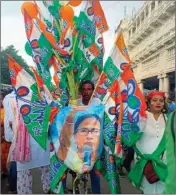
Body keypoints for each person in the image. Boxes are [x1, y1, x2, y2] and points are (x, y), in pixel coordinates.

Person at [62, 80, 102, 194]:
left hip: (93, 141)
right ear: (80, 91)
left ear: (93, 91)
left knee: (94, 171)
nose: (86, 92)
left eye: (89, 89)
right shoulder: (75, 103)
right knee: (66, 164)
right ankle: (62, 189)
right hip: (77, 140)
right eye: (83, 89)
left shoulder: (98, 103)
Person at [8, 95, 50, 194]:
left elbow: (11, 123)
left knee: (46, 174)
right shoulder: (16, 100)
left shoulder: (46, 98)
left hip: (39, 145)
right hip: (33, 145)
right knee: (28, 174)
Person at [128, 91, 168, 194]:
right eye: (154, 100)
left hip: (163, 162)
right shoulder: (141, 117)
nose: (158, 103)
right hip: (145, 162)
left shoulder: (168, 119)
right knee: (147, 189)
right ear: (149, 102)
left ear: (164, 103)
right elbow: (131, 136)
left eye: (161, 101)